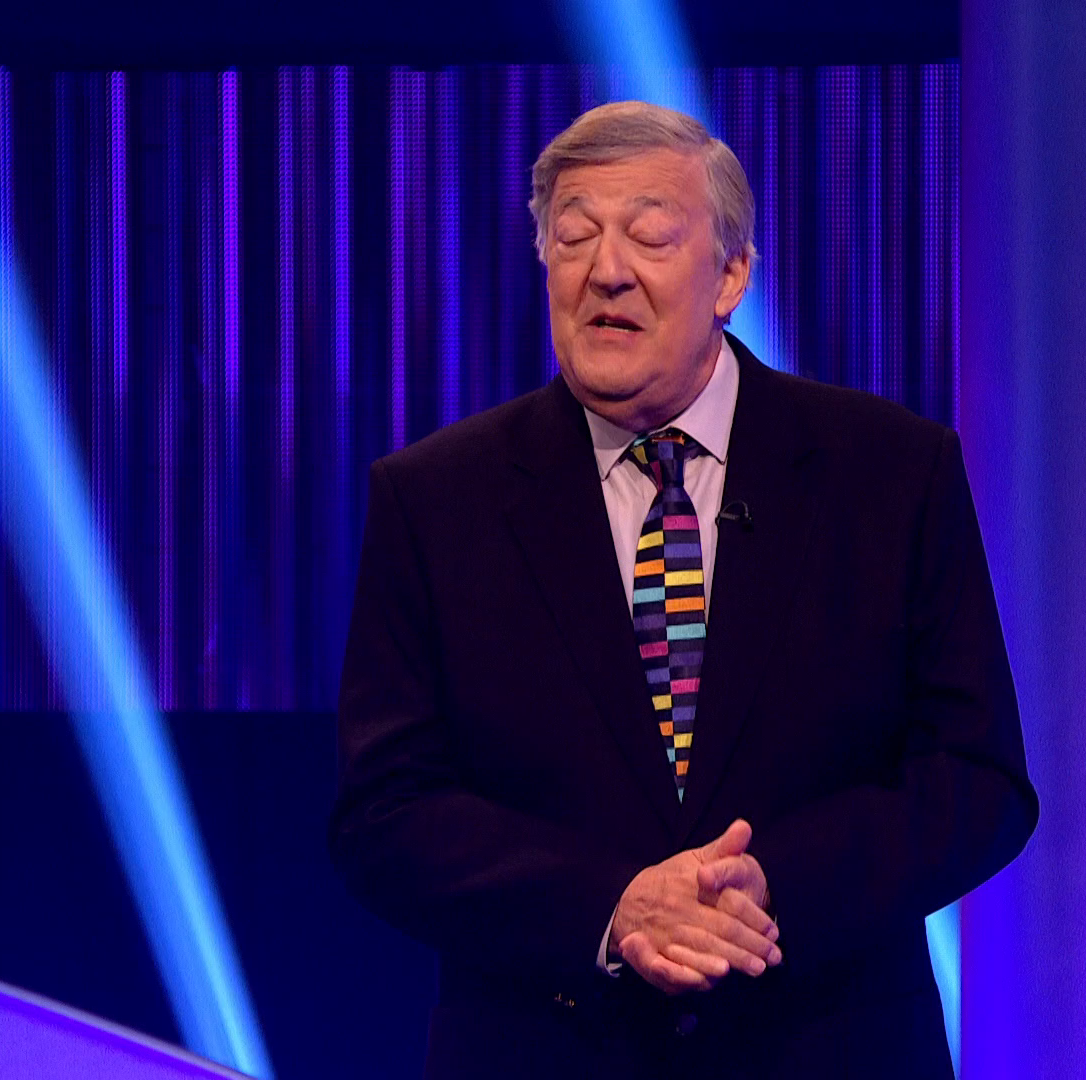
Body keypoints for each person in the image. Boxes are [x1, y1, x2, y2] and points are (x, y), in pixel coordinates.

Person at [330, 100, 1037, 1079]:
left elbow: (976, 781)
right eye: (574, 236)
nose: (606, 270)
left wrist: (771, 889)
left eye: (650, 236)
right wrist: (610, 907)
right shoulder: (437, 500)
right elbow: (386, 814)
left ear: (731, 275)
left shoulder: (890, 473)